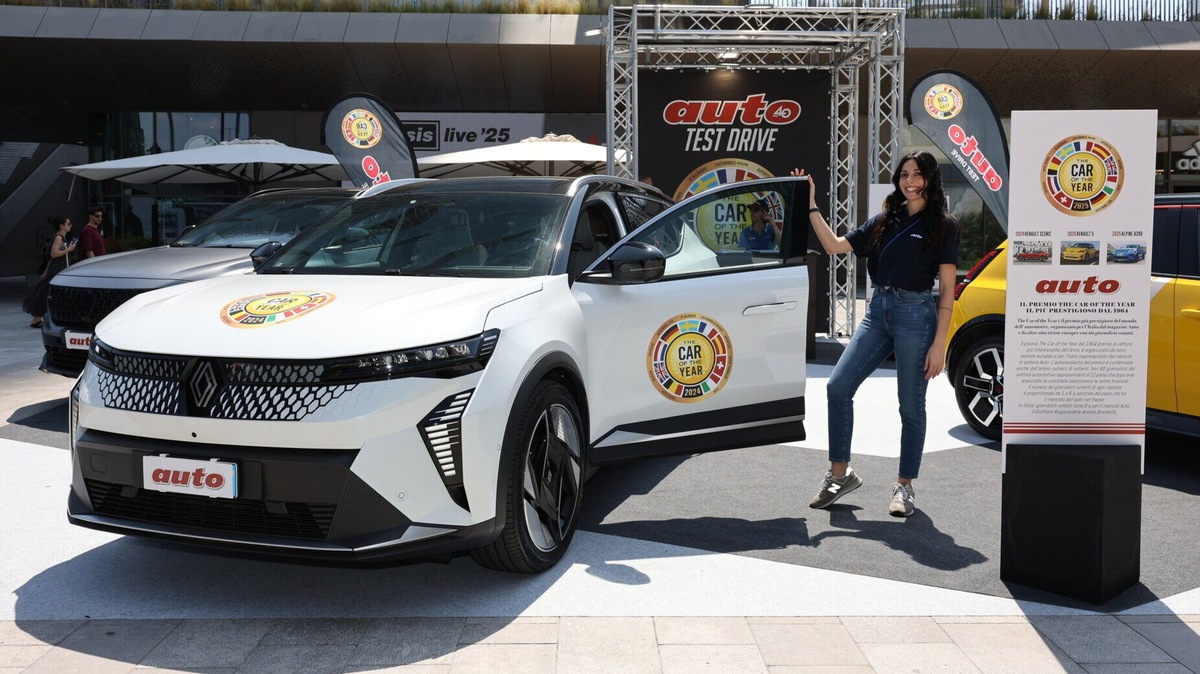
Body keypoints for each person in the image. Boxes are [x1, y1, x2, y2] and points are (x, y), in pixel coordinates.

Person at [792, 150, 960, 517]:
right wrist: (811, 205)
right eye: (904, 175)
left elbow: (947, 291)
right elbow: (834, 246)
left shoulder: (944, 225)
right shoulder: (886, 220)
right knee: (838, 386)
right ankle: (840, 476)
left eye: (917, 175)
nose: (910, 181)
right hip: (878, 312)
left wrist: (940, 344)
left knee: (910, 406)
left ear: (930, 179)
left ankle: (904, 487)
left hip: (916, 315)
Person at [24, 216, 77, 327]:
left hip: (59, 268)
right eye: (68, 224)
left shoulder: (62, 237)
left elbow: (51, 257)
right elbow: (54, 254)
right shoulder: (58, 238)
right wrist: (69, 249)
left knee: (49, 292)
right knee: (47, 291)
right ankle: (37, 318)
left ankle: (41, 317)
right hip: (57, 269)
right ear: (62, 226)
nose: (70, 225)